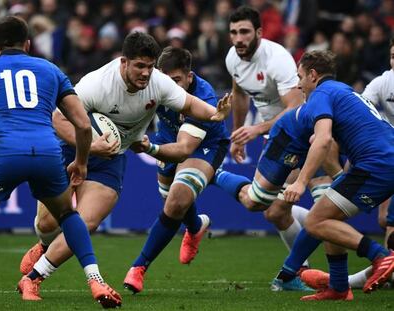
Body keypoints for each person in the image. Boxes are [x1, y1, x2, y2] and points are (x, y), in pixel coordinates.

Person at [18, 32, 231, 295]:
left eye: (150, 67)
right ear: (124, 62)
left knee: (86, 223)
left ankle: (33, 278)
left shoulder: (159, 84)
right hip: (71, 149)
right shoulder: (96, 84)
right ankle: (44, 244)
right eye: (139, 66)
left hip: (111, 159)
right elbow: (58, 119)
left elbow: (190, 103)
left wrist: (215, 114)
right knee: (48, 224)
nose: (145, 73)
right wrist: (90, 147)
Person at [0, 16, 121, 307]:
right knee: (69, 217)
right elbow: (82, 126)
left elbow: (11, 120)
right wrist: (81, 162)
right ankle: (95, 280)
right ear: (28, 44)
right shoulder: (50, 70)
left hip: (5, 157)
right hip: (47, 155)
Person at [213, 5, 333, 285]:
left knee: (277, 207)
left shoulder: (276, 58)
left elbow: (294, 108)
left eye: (244, 32)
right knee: (274, 210)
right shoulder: (233, 57)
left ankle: (317, 274)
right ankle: (303, 272)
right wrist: (239, 132)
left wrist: (257, 129)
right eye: (233, 32)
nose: (238, 38)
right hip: (276, 136)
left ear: (258, 32)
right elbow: (239, 92)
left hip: (300, 131)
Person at [274, 50, 394, 301]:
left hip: (378, 165)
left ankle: (380, 256)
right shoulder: (342, 90)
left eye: (300, 77)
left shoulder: (321, 94)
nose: (298, 84)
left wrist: (301, 181)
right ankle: (339, 286)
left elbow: (323, 139)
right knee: (325, 217)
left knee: (316, 220)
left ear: (313, 75)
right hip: (382, 160)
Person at [122, 46, 230, 293]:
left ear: (189, 77)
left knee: (176, 201)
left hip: (204, 145)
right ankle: (195, 226)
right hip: (169, 136)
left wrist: (149, 149)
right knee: (170, 197)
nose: (172, 86)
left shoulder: (203, 96)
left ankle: (138, 268)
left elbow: (184, 149)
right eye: (167, 80)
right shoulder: (153, 84)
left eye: (177, 80)